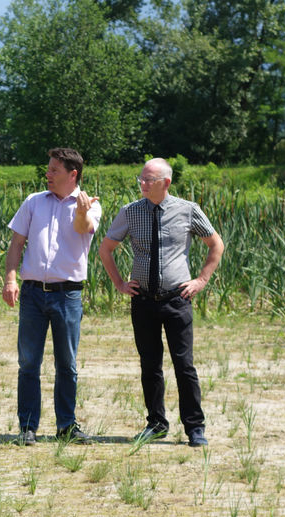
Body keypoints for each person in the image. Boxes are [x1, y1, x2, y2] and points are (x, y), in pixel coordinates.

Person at [98, 158, 224, 447]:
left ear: (165, 183)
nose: (142, 184)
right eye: (141, 179)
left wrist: (201, 281)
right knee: (150, 365)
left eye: (149, 180)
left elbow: (216, 244)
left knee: (184, 364)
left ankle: (195, 428)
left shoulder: (188, 210)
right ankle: (156, 424)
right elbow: (106, 249)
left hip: (177, 299)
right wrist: (119, 283)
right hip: (143, 301)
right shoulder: (130, 212)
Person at [2, 147, 101, 446]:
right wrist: (10, 277)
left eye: (54, 170)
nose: (48, 174)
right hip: (32, 294)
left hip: (67, 296)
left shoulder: (90, 204)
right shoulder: (33, 202)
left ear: (73, 174)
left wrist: (82, 211)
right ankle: (27, 428)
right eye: (48, 169)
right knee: (28, 363)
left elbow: (84, 229)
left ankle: (66, 427)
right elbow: (17, 243)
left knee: (67, 364)